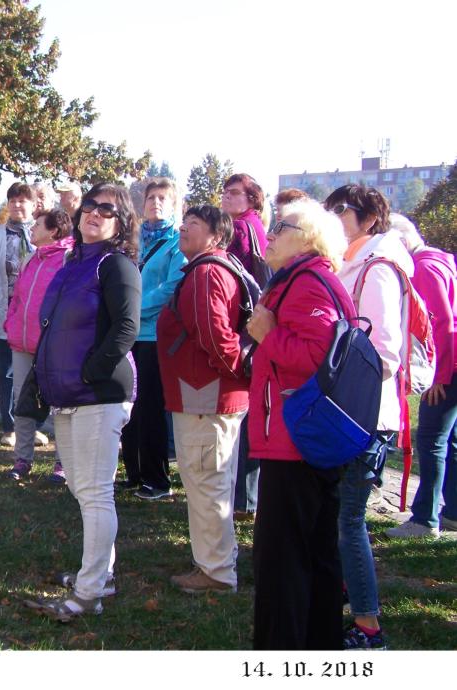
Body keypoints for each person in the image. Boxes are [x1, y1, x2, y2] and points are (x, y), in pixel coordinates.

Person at [26, 183, 140, 621]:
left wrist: (91, 371)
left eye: (107, 209)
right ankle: (101, 575)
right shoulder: (75, 262)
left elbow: (126, 327)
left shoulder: (116, 265)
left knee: (95, 494)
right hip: (66, 395)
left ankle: (90, 590)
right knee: (80, 488)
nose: (94, 213)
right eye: (90, 205)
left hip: (99, 394)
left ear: (121, 221)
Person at [245, 198, 351, 649]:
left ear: (306, 238)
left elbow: (314, 359)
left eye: (280, 226)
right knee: (314, 552)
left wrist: (267, 333)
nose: (269, 233)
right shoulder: (305, 279)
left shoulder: (307, 282)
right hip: (305, 435)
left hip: (295, 438)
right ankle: (318, 644)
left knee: (283, 558)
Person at [328, 184, 409, 649]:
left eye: (343, 211)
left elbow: (385, 354)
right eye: (332, 209)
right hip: (349, 410)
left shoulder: (376, 269)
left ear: (369, 220)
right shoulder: (354, 264)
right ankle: (343, 592)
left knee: (350, 520)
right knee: (340, 514)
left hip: (367, 415)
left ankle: (368, 626)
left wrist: (334, 371)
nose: (335, 217)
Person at [156, 205, 248, 593]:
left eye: (193, 223)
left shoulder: (208, 273)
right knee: (213, 479)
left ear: (216, 235)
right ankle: (217, 559)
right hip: (209, 394)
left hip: (205, 396)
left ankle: (215, 572)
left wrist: (235, 371)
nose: (182, 228)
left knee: (206, 480)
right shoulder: (212, 268)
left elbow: (215, 336)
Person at [387, 214, 457, 538]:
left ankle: (425, 519)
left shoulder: (424, 268)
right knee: (448, 441)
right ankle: (452, 512)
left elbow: (444, 324)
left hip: (449, 367)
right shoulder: (443, 260)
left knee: (431, 440)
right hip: (452, 364)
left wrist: (439, 377)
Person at [120, 178, 187, 499]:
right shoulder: (134, 240)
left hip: (153, 335)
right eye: (151, 198)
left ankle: (157, 479)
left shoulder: (177, 241)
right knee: (127, 404)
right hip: (128, 332)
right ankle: (132, 472)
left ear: (173, 204)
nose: (156, 203)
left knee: (149, 407)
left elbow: (173, 286)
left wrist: (135, 306)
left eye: (163, 198)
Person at [3, 208, 73, 482]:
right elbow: (18, 297)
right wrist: (11, 324)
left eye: (38, 225)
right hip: (21, 344)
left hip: (53, 347)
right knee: (22, 402)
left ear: (54, 231)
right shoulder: (30, 257)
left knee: (59, 406)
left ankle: (62, 464)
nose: (31, 228)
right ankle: (22, 460)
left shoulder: (69, 259)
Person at [221, 172, 268, 516]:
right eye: (225, 192)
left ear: (252, 199)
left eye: (235, 193)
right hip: (251, 326)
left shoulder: (242, 228)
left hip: (245, 327)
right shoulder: (249, 225)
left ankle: (243, 498)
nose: (227, 197)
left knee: (243, 412)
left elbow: (240, 279)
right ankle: (245, 497)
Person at [0, 182, 38, 446]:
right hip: (6, 315)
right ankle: (10, 426)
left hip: (36, 318)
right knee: (8, 372)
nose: (17, 204)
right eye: (13, 200)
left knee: (35, 374)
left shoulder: (43, 234)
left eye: (23, 200)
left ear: (34, 205)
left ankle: (31, 425)